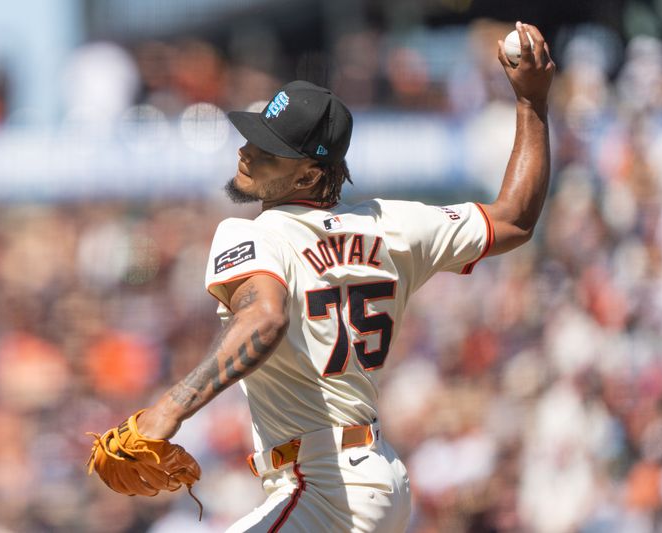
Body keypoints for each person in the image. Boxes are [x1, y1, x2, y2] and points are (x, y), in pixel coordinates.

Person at [134, 22, 554, 532]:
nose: (246, 151)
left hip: (322, 484)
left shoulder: (259, 234)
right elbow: (514, 218)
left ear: (310, 173)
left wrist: (169, 408)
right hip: (374, 479)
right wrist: (532, 104)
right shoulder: (395, 225)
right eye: (254, 135)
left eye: (268, 148)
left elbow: (263, 320)